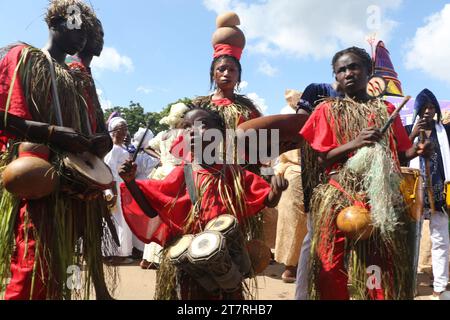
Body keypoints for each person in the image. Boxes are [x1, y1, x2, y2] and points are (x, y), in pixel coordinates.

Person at [0, 0, 115, 300]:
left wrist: (99, 141)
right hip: (37, 177)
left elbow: (91, 129)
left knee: (66, 268)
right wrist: (50, 133)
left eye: (85, 30)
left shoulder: (77, 77)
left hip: (75, 185)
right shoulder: (21, 57)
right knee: (31, 263)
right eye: (74, 23)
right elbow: (5, 115)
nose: (81, 34)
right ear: (53, 23)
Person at [298, 47, 432, 300]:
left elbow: (399, 155)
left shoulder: (385, 108)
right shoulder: (326, 110)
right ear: (336, 77)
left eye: (354, 67)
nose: (348, 73)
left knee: (377, 266)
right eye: (342, 70)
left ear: (368, 71)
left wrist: (418, 150)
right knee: (329, 267)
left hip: (377, 200)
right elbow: (322, 158)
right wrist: (354, 143)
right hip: (336, 197)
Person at [119, 107, 288, 300]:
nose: (192, 131)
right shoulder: (182, 173)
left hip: (225, 261)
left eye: (202, 125)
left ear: (221, 134)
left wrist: (276, 189)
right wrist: (130, 182)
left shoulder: (233, 173)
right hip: (189, 264)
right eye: (187, 127)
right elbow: (152, 211)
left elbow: (268, 200)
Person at [294, 82, 342, 299]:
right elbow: (301, 123)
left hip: (348, 175)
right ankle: (302, 294)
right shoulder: (317, 89)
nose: (350, 74)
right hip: (317, 171)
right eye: (343, 69)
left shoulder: (362, 98)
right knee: (314, 234)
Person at [407, 89, 450, 299]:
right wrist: (414, 134)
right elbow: (399, 153)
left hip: (440, 193)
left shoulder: (446, 132)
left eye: (431, 107)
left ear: (435, 110)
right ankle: (409, 282)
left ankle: (439, 287)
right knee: (412, 238)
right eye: (423, 108)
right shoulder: (408, 130)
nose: (427, 111)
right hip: (413, 192)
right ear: (417, 110)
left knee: (440, 239)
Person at [140, 102, 189, 269]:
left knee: (160, 214)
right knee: (175, 215)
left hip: (162, 174)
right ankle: (170, 254)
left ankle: (151, 257)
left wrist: (160, 158)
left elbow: (146, 147)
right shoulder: (185, 135)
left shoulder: (163, 135)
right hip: (177, 176)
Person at [274, 90, 307, 283]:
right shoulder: (287, 116)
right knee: (292, 219)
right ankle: (290, 265)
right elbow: (281, 153)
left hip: (320, 170)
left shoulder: (319, 116)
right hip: (293, 171)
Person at [104, 116, 134, 264]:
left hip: (122, 187)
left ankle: (119, 253)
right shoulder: (112, 149)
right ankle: (115, 253)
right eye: (119, 129)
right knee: (116, 220)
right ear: (113, 130)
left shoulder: (123, 149)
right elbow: (110, 171)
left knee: (122, 220)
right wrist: (113, 192)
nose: (123, 132)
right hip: (114, 187)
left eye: (124, 129)